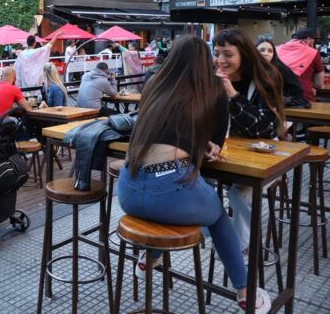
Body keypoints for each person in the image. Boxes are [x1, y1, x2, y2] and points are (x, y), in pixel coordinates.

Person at [117, 35, 271, 313]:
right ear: (205, 60)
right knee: (217, 216)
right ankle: (245, 292)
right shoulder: (213, 86)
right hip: (170, 192)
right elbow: (217, 141)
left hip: (127, 189)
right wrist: (206, 145)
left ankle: (148, 257)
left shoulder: (154, 82)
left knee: (181, 208)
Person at [214, 28, 285, 262]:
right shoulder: (214, 78)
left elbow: (263, 127)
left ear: (243, 54)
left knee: (241, 192)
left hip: (265, 156)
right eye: (217, 54)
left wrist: (232, 95)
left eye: (227, 54)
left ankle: (242, 248)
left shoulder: (266, 77)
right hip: (225, 153)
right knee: (189, 178)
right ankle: (214, 230)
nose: (221, 61)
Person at [255, 36, 306, 107]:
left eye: (270, 51)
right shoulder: (249, 69)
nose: (266, 53)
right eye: (262, 50)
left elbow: (297, 94)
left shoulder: (281, 69)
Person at [276, 28, 323, 102]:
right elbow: (319, 83)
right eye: (314, 40)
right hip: (303, 96)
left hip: (279, 96)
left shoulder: (278, 49)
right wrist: (313, 87)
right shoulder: (313, 52)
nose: (314, 42)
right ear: (308, 39)